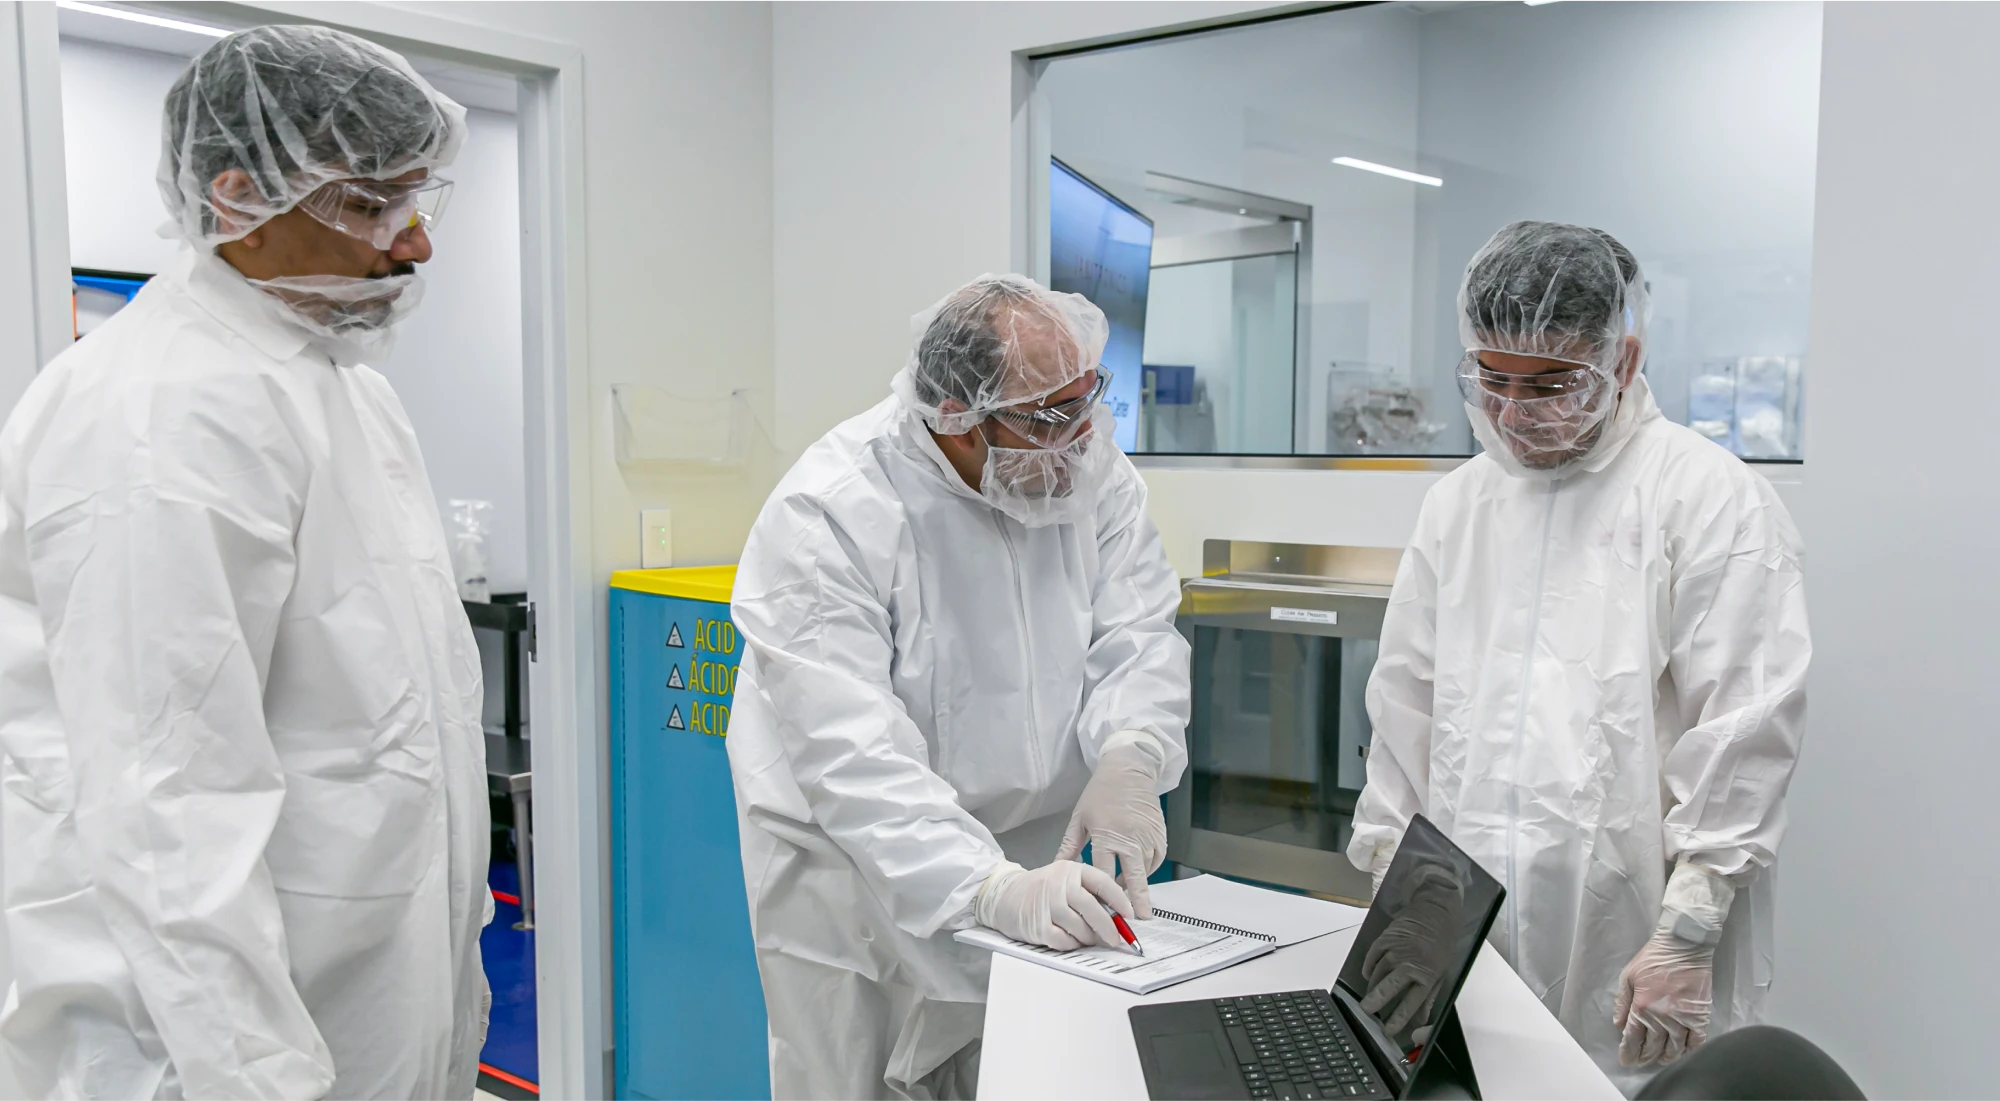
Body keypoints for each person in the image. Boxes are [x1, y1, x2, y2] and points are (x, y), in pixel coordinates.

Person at [0, 26, 490, 1101]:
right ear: (235, 201)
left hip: (360, 988)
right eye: (371, 204)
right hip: (209, 1045)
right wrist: (262, 1081)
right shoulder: (159, 416)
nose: (414, 246)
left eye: (413, 202)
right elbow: (166, 807)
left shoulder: (336, 378)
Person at [1347, 221, 1810, 1096]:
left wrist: (1689, 930)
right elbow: (1405, 707)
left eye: (1551, 384)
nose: (1516, 415)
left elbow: (1745, 731)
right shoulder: (1460, 506)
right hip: (1465, 928)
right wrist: (1391, 889)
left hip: (1634, 939)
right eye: (1494, 380)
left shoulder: (1708, 498)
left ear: (1623, 360)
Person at [727, 274, 1191, 1100]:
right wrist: (984, 887)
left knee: (1023, 1077)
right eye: (1051, 418)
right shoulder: (830, 512)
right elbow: (852, 756)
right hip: (855, 883)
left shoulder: (1088, 469)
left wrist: (1133, 749)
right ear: (960, 422)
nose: (1084, 437)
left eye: (1090, 401)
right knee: (856, 1079)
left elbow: (1139, 628)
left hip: (1035, 861)